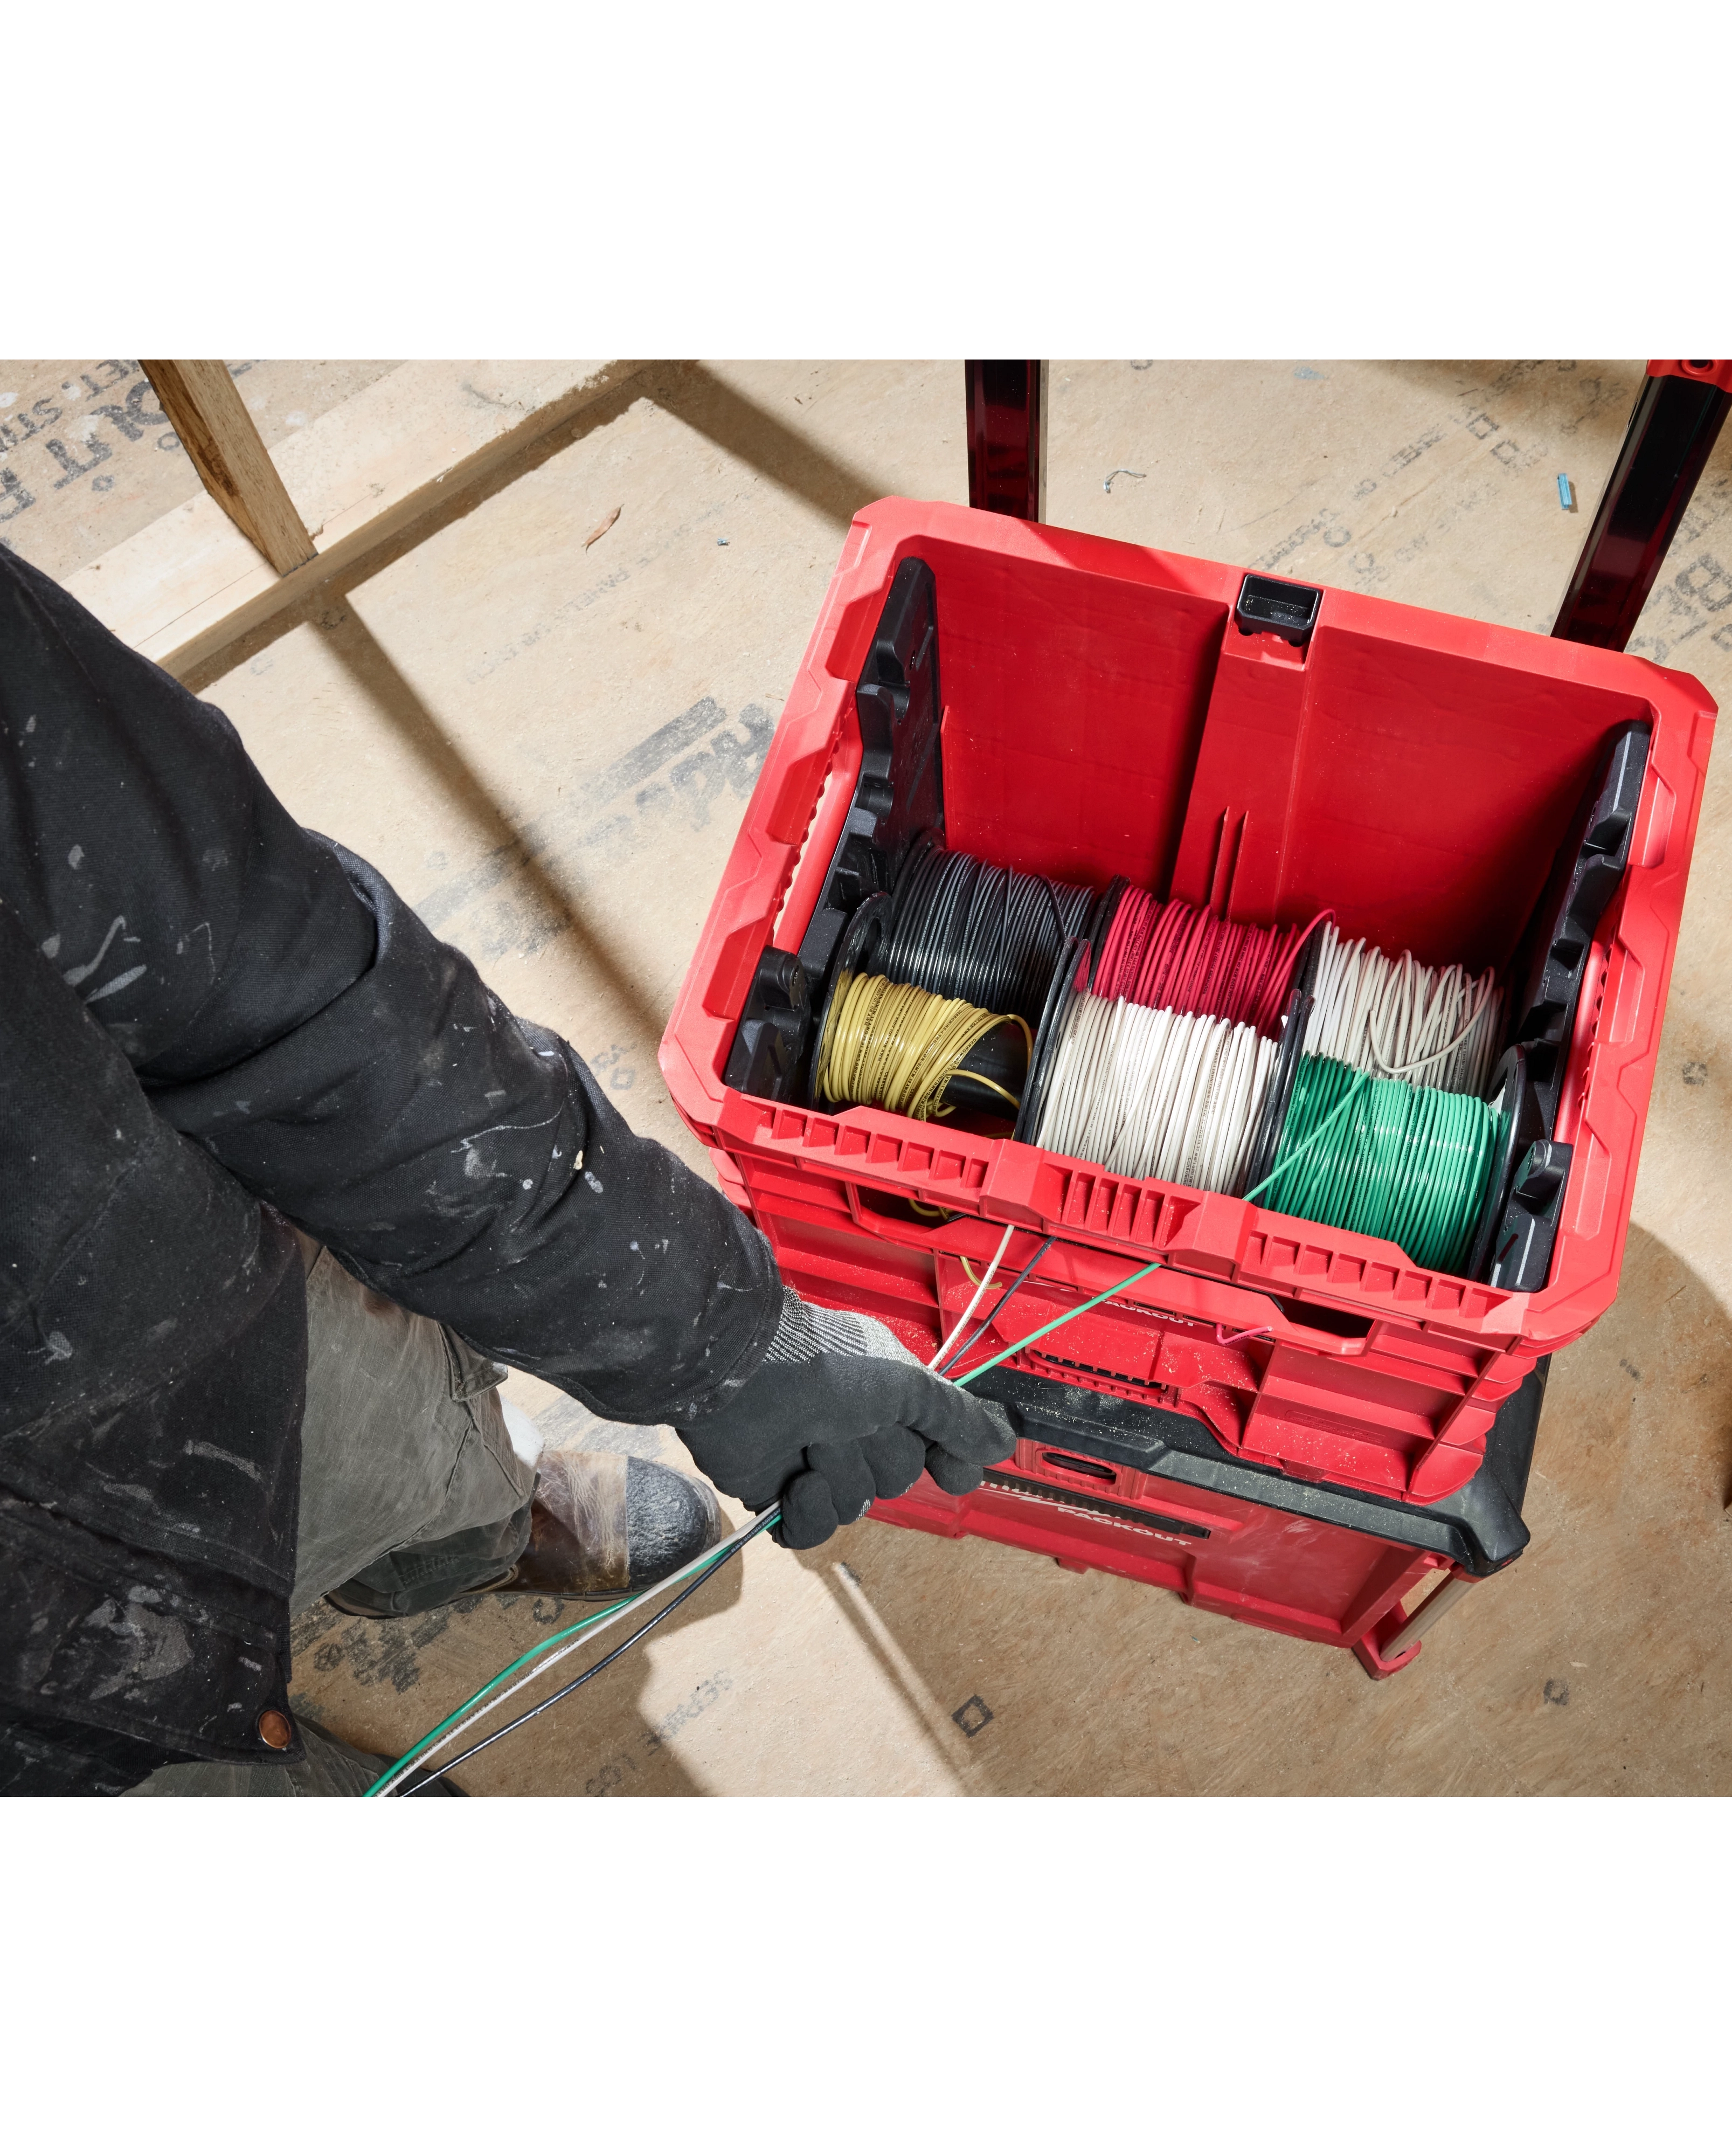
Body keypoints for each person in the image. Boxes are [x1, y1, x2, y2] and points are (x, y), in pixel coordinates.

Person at [0, 547, 1016, 1798]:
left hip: (176, 1319)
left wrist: (722, 1339)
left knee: (396, 1448)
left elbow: (274, 982)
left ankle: (459, 1532)